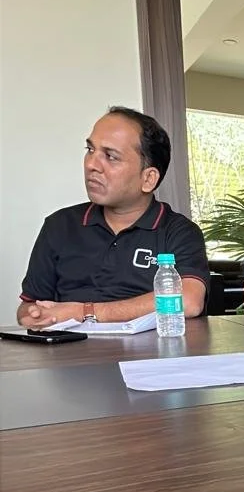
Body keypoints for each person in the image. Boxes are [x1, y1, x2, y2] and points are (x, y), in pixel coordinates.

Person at [17, 107, 209, 328]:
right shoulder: (59, 225)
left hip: (147, 349)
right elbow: (28, 305)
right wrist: (34, 314)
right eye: (90, 149)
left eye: (110, 156)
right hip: (69, 347)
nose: (91, 165)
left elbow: (188, 301)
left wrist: (83, 312)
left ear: (148, 179)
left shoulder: (178, 232)